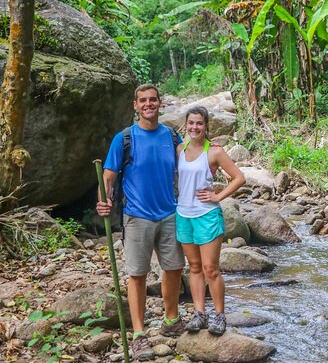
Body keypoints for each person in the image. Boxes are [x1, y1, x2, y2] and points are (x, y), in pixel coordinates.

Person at [96, 84, 185, 362]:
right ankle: (138, 334)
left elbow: (192, 157)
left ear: (160, 103)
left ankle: (171, 321)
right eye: (143, 101)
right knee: (138, 275)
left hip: (169, 213)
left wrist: (210, 147)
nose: (148, 104)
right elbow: (108, 177)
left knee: (173, 269)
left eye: (153, 100)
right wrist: (104, 201)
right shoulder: (124, 139)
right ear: (135, 105)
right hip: (136, 216)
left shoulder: (171, 135)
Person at [176, 106, 245, 335]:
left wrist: (217, 196)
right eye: (191, 123)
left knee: (210, 269)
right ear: (186, 125)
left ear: (206, 126)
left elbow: (239, 178)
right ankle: (199, 313)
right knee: (194, 267)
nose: (195, 127)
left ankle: (219, 314)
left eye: (199, 123)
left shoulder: (214, 152)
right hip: (184, 215)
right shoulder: (180, 149)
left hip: (207, 215)